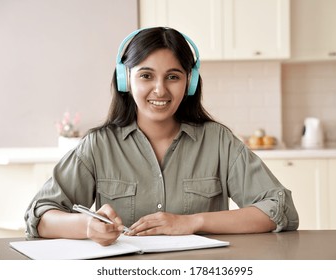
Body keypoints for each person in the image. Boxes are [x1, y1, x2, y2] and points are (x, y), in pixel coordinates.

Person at [24, 27, 299, 246]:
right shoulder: (98, 146)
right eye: (146, 76)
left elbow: (279, 208)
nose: (160, 90)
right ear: (126, 80)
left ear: (189, 83)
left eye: (173, 77)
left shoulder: (218, 141)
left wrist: (192, 222)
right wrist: (87, 227)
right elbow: (40, 215)